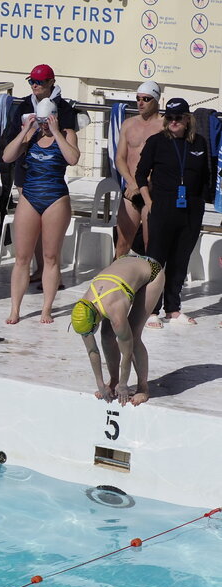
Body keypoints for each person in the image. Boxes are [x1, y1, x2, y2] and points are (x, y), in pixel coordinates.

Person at [2, 97, 81, 325]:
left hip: (56, 198)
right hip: (30, 195)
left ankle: (46, 309)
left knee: (50, 256)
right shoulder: (32, 134)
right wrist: (26, 130)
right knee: (22, 258)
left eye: (48, 120)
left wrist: (55, 132)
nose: (44, 124)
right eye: (42, 120)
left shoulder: (66, 134)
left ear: (55, 116)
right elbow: (7, 157)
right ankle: (15, 308)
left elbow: (73, 158)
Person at [135, 97, 212, 326]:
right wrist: (148, 202)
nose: (174, 122)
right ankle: (150, 309)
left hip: (191, 208)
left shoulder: (199, 143)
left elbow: (205, 178)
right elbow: (141, 175)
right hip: (163, 205)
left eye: (178, 118)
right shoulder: (156, 142)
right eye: (169, 117)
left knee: (180, 259)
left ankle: (173, 308)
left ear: (187, 120)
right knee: (156, 260)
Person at [70, 254, 165, 406]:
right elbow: (92, 350)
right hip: (125, 263)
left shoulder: (115, 314)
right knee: (107, 335)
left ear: (95, 320)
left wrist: (124, 384)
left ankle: (143, 388)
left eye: (89, 332)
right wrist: (100, 383)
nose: (87, 336)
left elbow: (126, 353)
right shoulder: (84, 308)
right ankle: (113, 380)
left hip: (151, 272)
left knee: (133, 335)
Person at [114, 81, 162, 257]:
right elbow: (119, 158)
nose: (140, 103)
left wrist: (143, 183)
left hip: (152, 191)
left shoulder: (164, 126)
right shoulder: (128, 124)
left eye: (146, 99)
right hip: (131, 190)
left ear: (157, 100)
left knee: (151, 245)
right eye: (138, 99)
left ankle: (149, 284)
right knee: (122, 243)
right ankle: (116, 283)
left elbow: (164, 163)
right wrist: (132, 182)